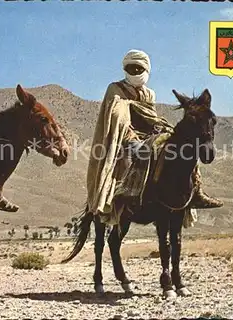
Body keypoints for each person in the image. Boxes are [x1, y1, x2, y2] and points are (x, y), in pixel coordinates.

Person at [86, 49, 223, 222]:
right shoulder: (115, 88)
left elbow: (149, 116)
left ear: (146, 70)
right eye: (131, 69)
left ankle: (196, 192)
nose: (135, 72)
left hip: (147, 134)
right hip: (124, 136)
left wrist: (159, 127)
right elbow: (115, 117)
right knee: (133, 153)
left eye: (138, 69)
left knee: (183, 149)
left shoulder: (149, 93)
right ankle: (122, 193)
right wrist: (130, 132)